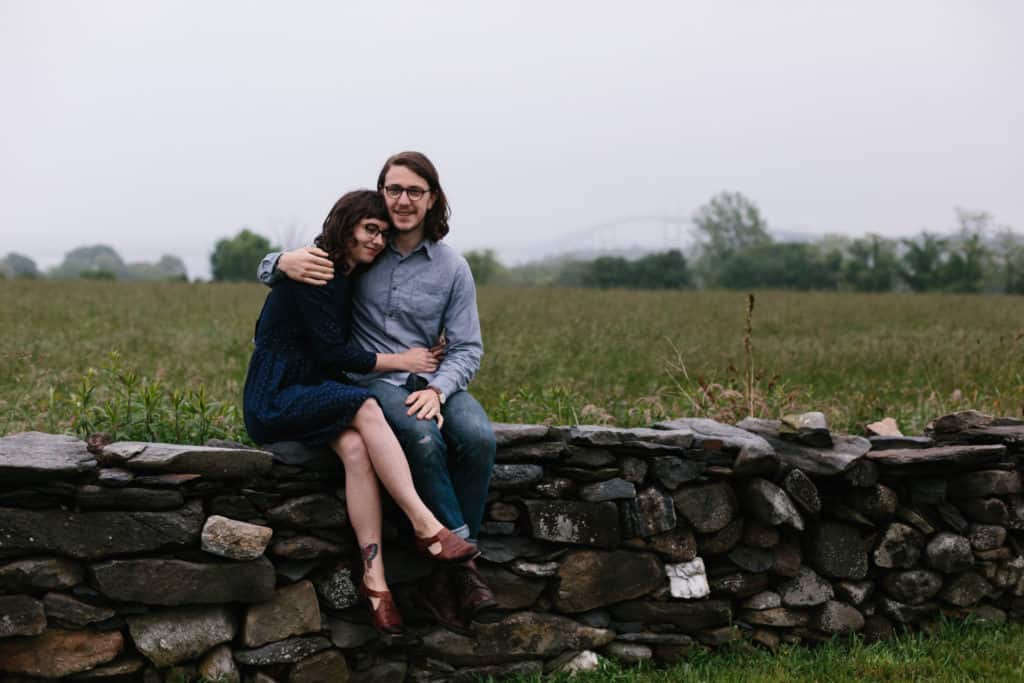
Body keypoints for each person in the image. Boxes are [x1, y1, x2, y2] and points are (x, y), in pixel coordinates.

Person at [258, 151, 497, 634]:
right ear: (382, 194)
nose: (402, 201)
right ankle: (460, 569)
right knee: (423, 438)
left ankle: (445, 563)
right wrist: (278, 260)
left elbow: (468, 347)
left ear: (433, 199)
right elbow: (297, 271)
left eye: (414, 191)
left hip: (434, 380)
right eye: (394, 190)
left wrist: (439, 387)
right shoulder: (363, 250)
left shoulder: (453, 268)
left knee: (479, 438)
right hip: (370, 382)